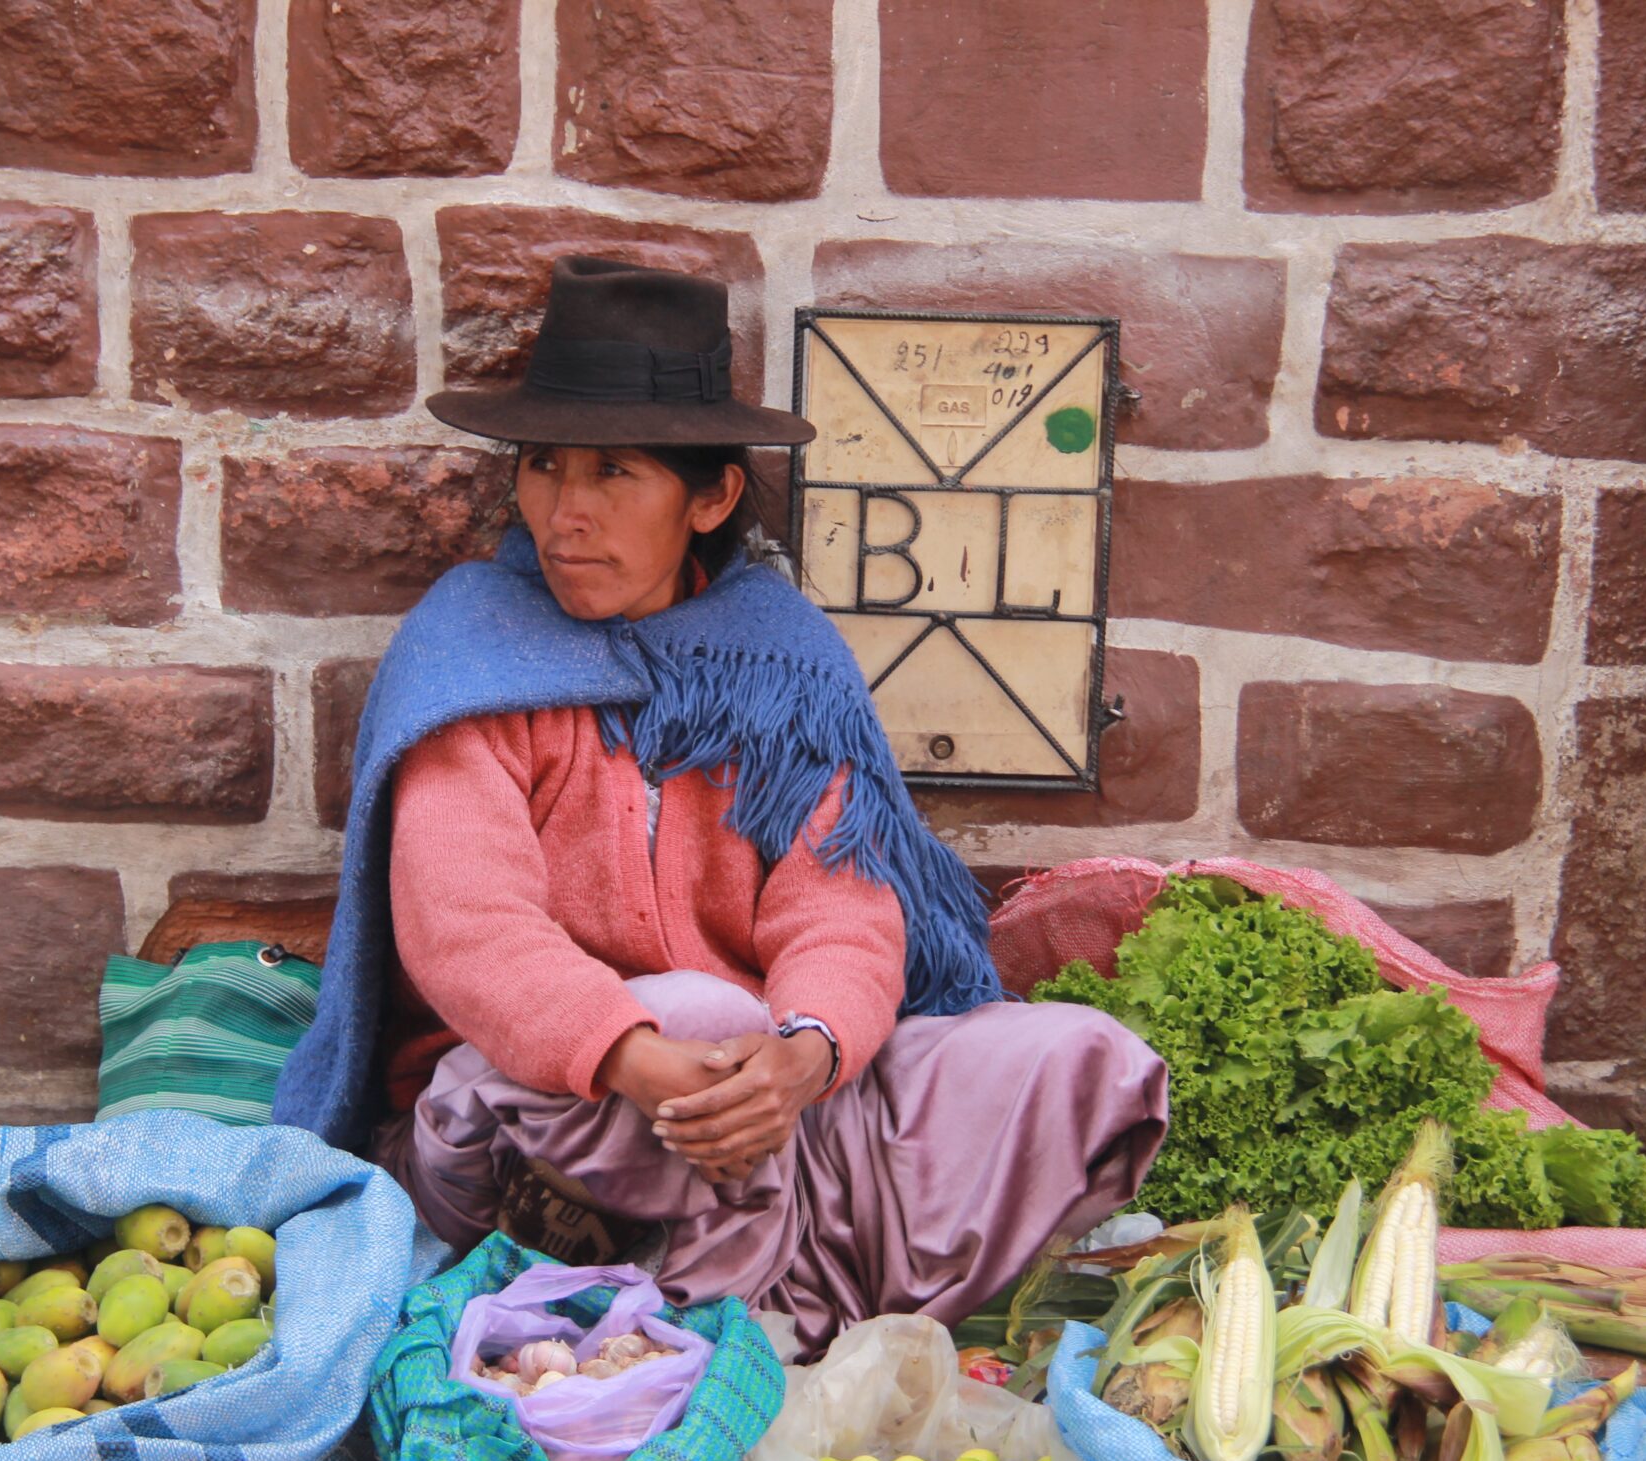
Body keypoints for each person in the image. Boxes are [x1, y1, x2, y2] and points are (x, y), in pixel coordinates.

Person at [271, 257, 1168, 1356]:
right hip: (538, 1117)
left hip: (757, 1111)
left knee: (1081, 1063)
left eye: (616, 473)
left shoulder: (777, 666)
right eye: (545, 467)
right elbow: (467, 930)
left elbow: (840, 907)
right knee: (701, 1013)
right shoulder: (470, 656)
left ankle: (763, 1280)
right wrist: (636, 1053)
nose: (567, 512)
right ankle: (749, 1319)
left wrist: (807, 1051)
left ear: (711, 498)